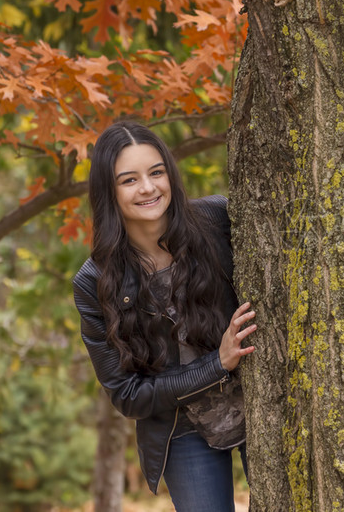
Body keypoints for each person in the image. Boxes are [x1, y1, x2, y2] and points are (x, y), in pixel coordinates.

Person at [73, 121, 257, 512]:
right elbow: (127, 396)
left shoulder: (217, 220)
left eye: (156, 172)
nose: (148, 188)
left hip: (262, 399)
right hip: (181, 427)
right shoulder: (94, 282)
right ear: (109, 192)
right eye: (129, 180)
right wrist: (217, 364)